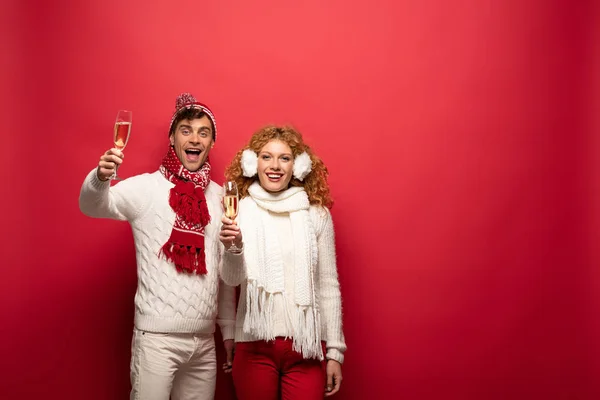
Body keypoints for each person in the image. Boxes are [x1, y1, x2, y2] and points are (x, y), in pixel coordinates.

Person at [79, 93, 235, 400]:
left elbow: (223, 270)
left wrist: (227, 331)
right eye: (186, 130)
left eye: (204, 132)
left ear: (211, 143)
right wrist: (100, 178)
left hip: (203, 342)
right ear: (172, 137)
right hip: (156, 340)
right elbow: (93, 206)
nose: (195, 138)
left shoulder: (219, 198)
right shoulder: (147, 188)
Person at [219, 125, 347, 399]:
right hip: (253, 346)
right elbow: (229, 281)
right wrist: (233, 248)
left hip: (305, 347)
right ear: (253, 163)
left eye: (284, 158)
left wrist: (335, 351)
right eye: (266, 157)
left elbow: (328, 284)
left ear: (298, 166)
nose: (275, 166)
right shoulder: (239, 210)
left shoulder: (317, 215)